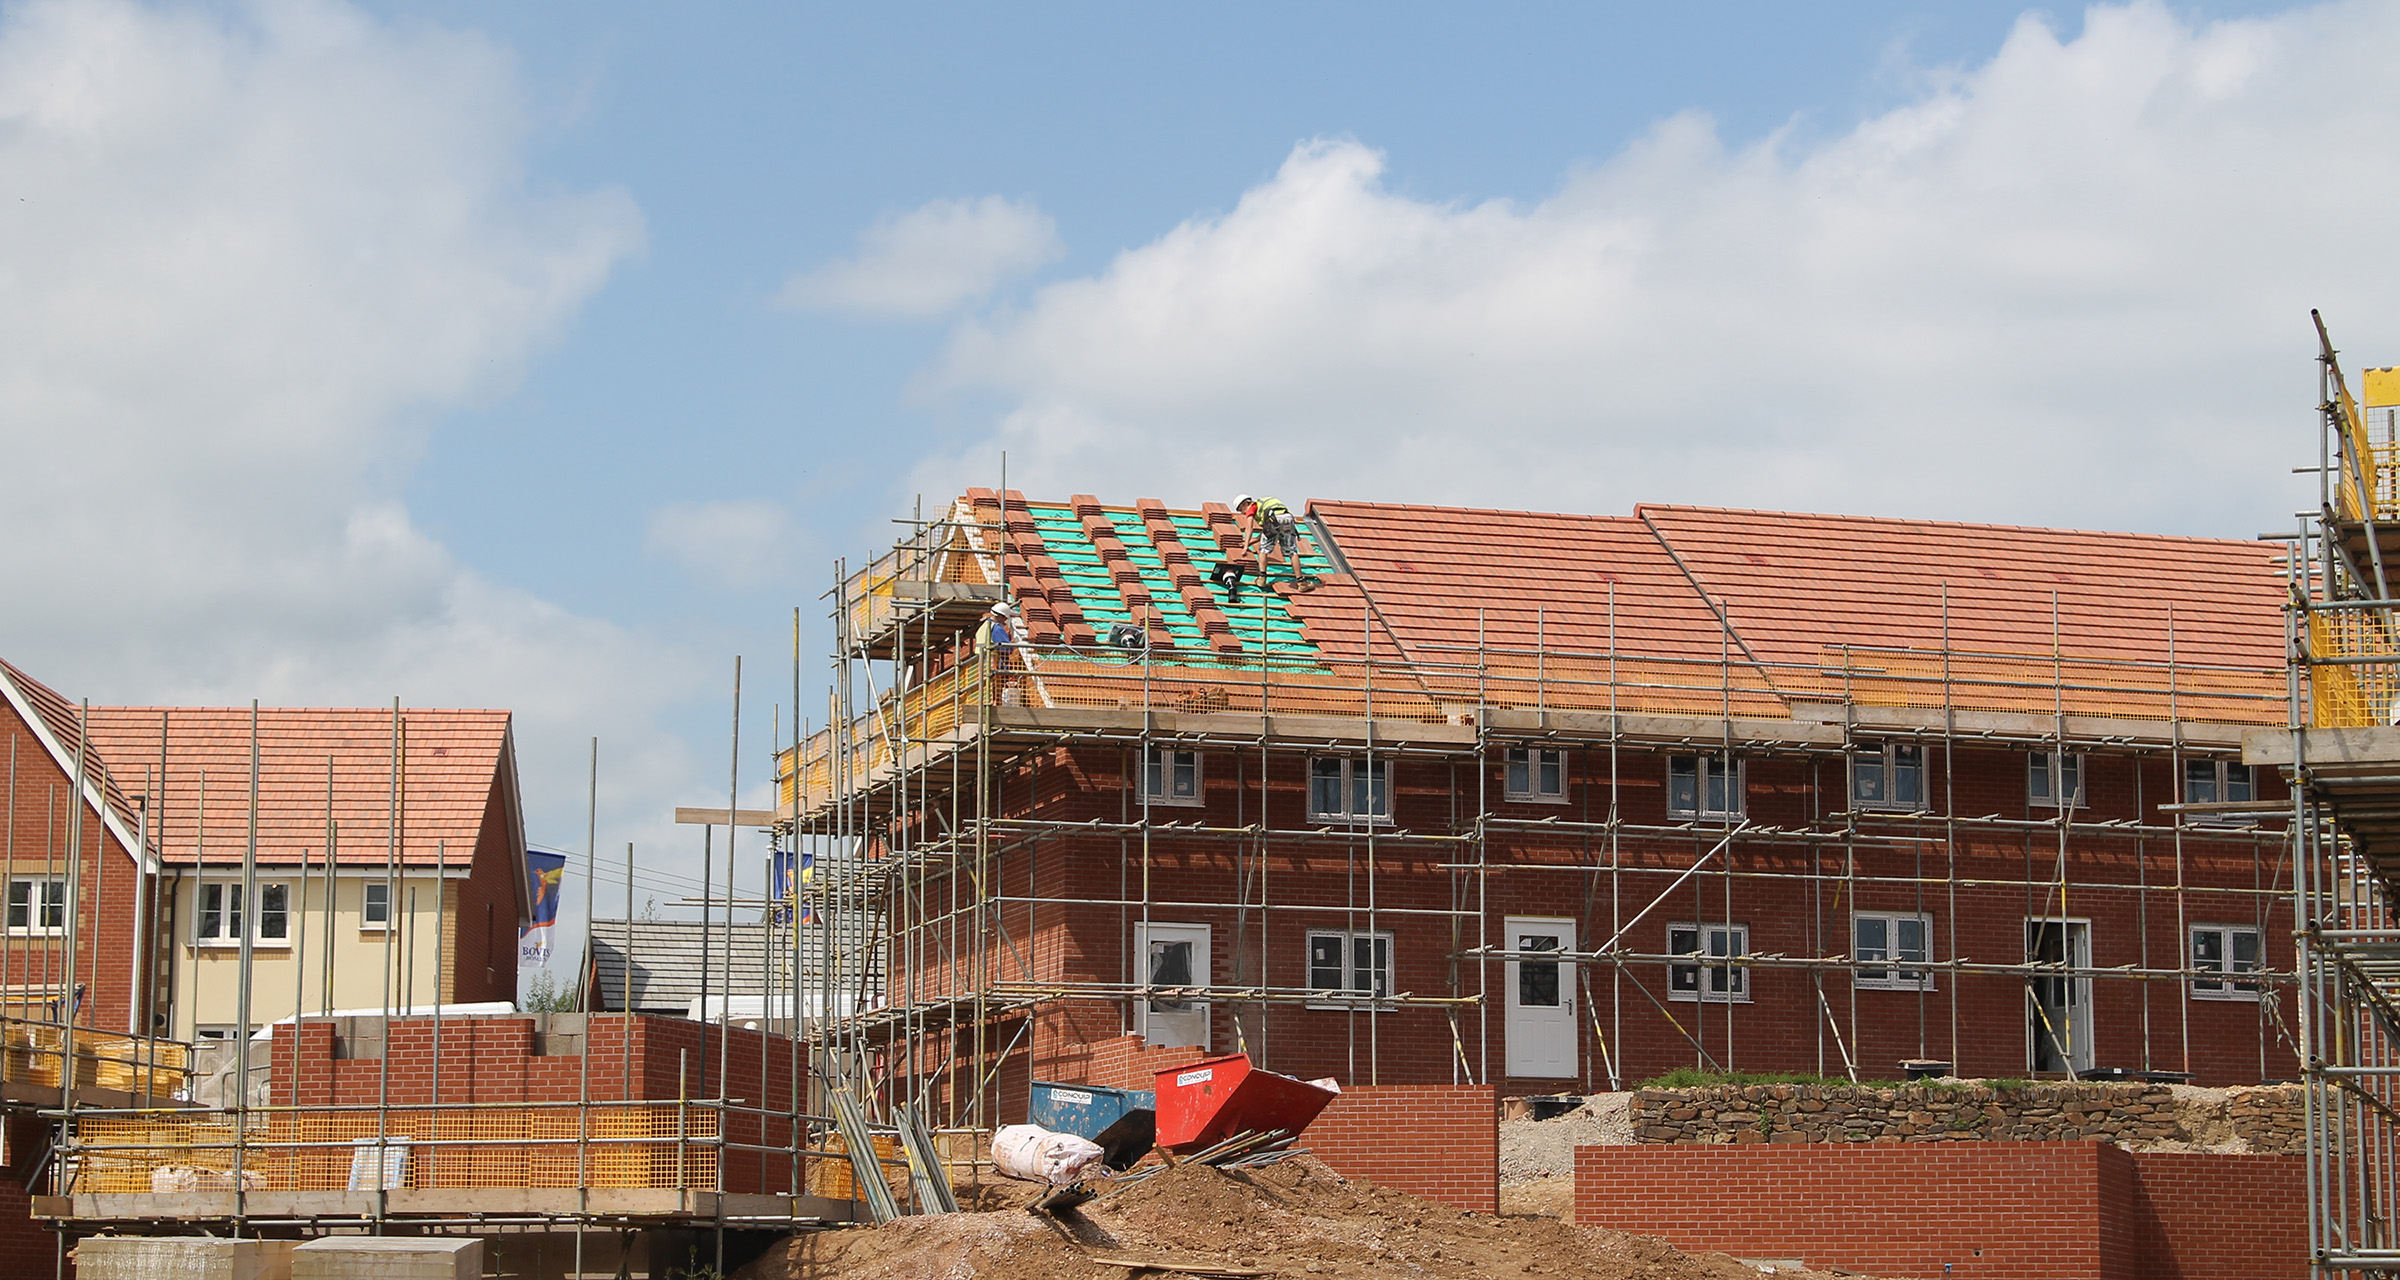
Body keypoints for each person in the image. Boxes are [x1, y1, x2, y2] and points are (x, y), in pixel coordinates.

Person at [1233, 494, 1310, 586]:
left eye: (1241, 509)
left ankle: (1262, 578)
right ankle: (1301, 582)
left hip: (1274, 519)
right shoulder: (1265, 505)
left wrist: (1245, 547)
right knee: (1292, 552)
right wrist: (1251, 542)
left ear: (1246, 503)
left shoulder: (1252, 507)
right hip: (1288, 518)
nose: (1242, 513)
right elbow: (1269, 530)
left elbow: (1249, 528)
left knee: (1263, 551)